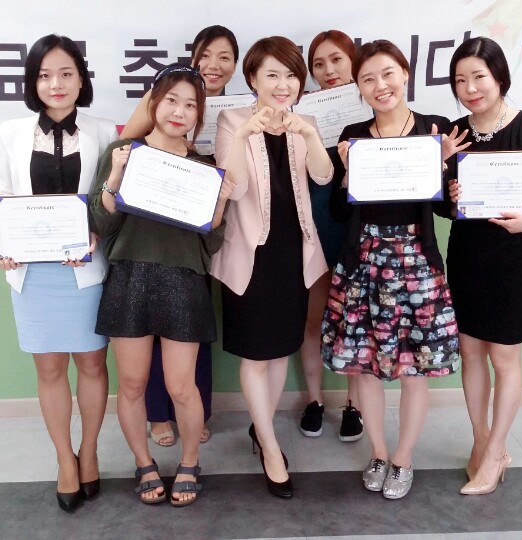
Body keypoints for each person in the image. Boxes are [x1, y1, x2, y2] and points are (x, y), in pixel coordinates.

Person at [322, 39, 467, 500]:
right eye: (368, 79)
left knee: (414, 367)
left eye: (387, 73)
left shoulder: (433, 129)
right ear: (359, 88)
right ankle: (379, 453)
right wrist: (348, 174)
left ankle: (403, 458)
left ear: (404, 73)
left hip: (416, 260)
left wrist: (444, 169)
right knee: (364, 366)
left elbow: (445, 209)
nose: (379, 85)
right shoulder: (352, 135)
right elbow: (339, 212)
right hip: (363, 259)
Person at [90, 64, 233, 506]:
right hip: (129, 277)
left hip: (184, 281)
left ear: (199, 115)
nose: (179, 111)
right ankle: (144, 463)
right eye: (171, 100)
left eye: (190, 105)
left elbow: (210, 242)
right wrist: (115, 177)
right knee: (132, 385)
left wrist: (220, 203)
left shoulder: (204, 168)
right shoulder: (123, 153)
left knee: (182, 387)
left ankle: (190, 462)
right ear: (154, 102)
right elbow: (101, 225)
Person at [0, 34, 117, 514]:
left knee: (92, 365)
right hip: (32, 273)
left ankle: (90, 451)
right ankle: (65, 459)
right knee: (48, 370)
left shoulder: (104, 131)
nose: (56, 84)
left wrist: (97, 234)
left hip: (85, 271)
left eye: (66, 73)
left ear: (81, 79)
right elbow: (5, 194)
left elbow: (111, 199)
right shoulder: (11, 132)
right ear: (32, 82)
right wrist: (3, 243)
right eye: (44, 75)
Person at [211, 36, 333, 499]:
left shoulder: (307, 123)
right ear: (253, 80)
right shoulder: (231, 120)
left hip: (293, 254)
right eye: (272, 75)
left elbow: (323, 175)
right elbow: (235, 187)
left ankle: (261, 430)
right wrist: (245, 134)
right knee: (255, 355)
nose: (283, 85)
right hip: (250, 256)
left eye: (291, 75)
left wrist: (308, 134)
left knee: (281, 351)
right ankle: (269, 446)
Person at [446, 36, 522, 495]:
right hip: (468, 254)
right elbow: (441, 205)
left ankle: (497, 451)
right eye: (461, 80)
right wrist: (450, 194)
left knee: (504, 356)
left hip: (514, 257)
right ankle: (480, 442)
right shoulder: (454, 133)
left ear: (499, 77)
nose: (470, 88)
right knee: (470, 352)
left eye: (478, 76)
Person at [120, 25, 240, 448]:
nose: (214, 64)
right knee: (147, 344)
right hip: (147, 235)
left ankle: (194, 413)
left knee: (191, 338)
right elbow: (127, 146)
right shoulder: (165, 95)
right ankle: (158, 415)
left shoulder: (239, 112)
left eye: (225, 57)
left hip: (192, 239)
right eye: (206, 55)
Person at [296, 30, 362, 441]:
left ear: (353, 61)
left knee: (355, 321)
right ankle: (315, 400)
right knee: (313, 318)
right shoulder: (302, 113)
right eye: (318, 64)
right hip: (315, 228)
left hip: (359, 232)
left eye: (336, 59)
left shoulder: (373, 108)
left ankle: (354, 405)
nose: (328, 70)